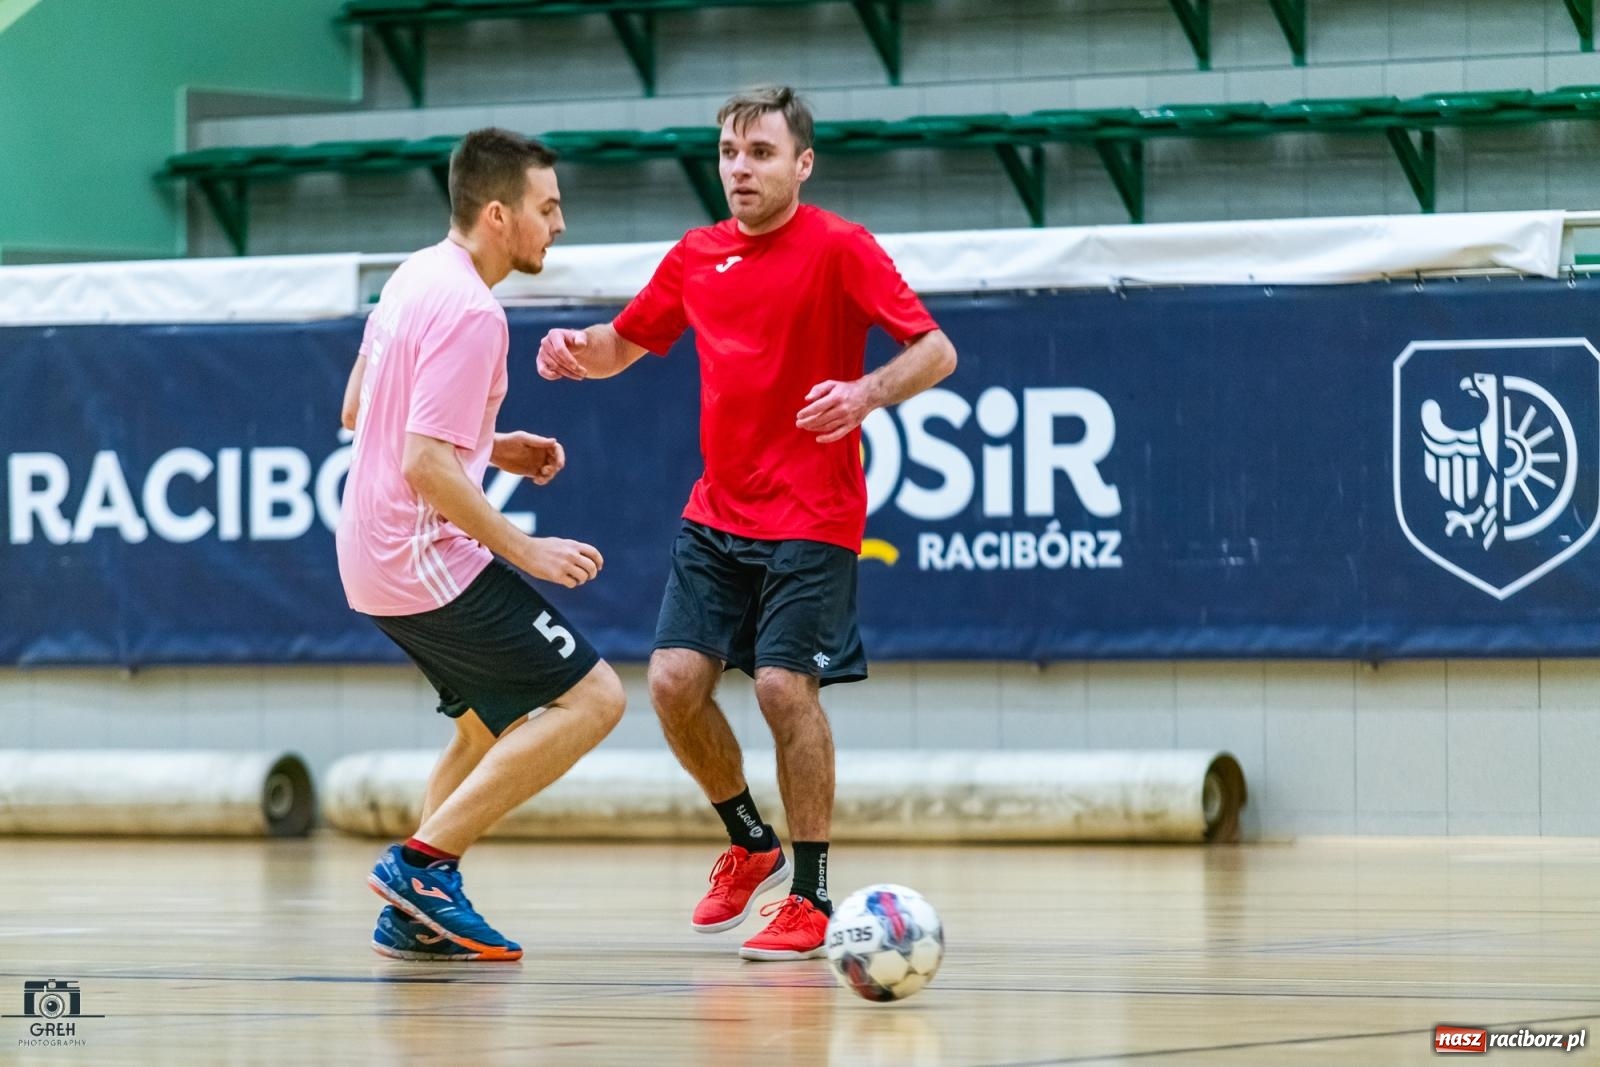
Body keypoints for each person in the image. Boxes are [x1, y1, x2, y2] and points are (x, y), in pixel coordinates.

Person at [536, 87, 957, 960]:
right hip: (717, 512)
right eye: (730, 152)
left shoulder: (841, 246)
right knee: (671, 682)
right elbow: (624, 343)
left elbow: (935, 350)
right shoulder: (697, 255)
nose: (740, 169)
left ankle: (810, 891)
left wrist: (866, 392)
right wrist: (578, 352)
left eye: (760, 153)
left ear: (802, 163)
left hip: (815, 512)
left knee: (779, 687)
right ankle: (748, 840)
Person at [337, 127, 625, 962]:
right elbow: (424, 463)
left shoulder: (413, 274)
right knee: (595, 697)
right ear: (498, 214)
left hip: (370, 552)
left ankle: (411, 913)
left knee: (481, 731)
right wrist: (526, 548)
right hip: (415, 552)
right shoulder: (473, 311)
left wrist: (491, 444)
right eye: (548, 207)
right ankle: (423, 866)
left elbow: (365, 408)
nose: (559, 225)